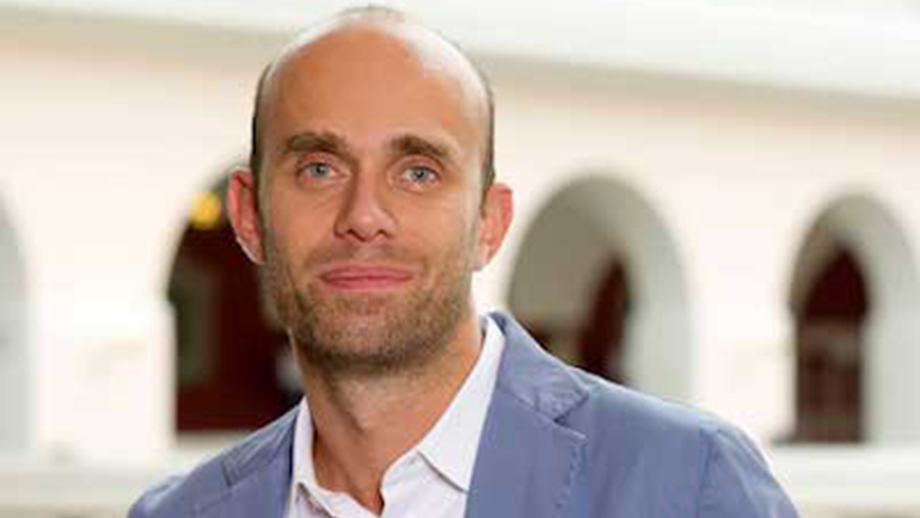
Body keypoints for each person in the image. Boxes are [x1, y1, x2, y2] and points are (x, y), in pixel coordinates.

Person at [130, 6, 799, 518]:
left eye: (418, 172)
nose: (364, 215)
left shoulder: (687, 485)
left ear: (489, 223)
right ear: (249, 216)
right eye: (319, 168)